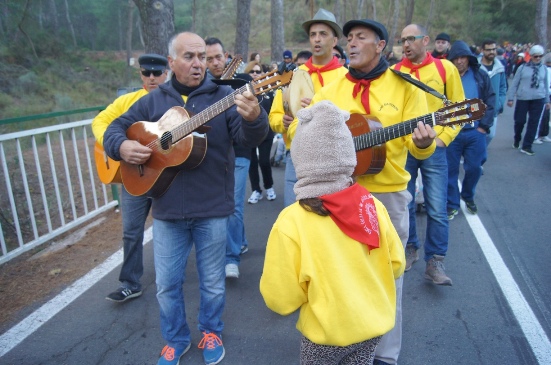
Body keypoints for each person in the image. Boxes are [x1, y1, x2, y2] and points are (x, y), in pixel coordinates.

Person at [102, 32, 268, 365]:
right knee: (166, 285)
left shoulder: (225, 95)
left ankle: (210, 331)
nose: (197, 64)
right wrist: (121, 146)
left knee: (212, 284)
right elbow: (114, 128)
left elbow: (249, 138)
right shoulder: (153, 99)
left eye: (202, 58)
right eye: (189, 57)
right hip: (166, 210)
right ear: (171, 62)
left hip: (212, 209)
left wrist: (253, 117)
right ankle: (176, 340)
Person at [302, 18, 435, 365]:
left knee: (389, 278)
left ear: (381, 46)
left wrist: (423, 145)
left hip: (387, 197)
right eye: (349, 38)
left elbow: (418, 146)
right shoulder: (329, 90)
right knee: (338, 276)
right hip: (339, 197)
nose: (352, 43)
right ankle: (340, 346)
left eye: (362, 37)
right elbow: (311, 139)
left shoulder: (404, 87)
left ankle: (385, 356)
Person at [260, 100, 405, 365]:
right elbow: (396, 265)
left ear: (302, 157)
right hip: (372, 327)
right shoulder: (372, 205)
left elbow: (280, 298)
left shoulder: (292, 221)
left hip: (326, 334)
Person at [92, 53, 168, 303]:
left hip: (167, 176)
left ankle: (171, 279)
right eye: (146, 73)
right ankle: (130, 282)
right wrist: (119, 145)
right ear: (140, 74)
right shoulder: (127, 101)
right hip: (134, 175)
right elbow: (101, 121)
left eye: (157, 73)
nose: (152, 77)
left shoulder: (178, 100)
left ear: (167, 72)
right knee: (131, 231)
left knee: (173, 227)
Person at [393, 23, 465, 286]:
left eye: (411, 39)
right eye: (402, 40)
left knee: (437, 207)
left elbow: (459, 109)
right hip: (405, 148)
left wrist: (444, 139)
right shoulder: (395, 72)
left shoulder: (446, 69)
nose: (406, 45)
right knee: (405, 202)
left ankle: (435, 261)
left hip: (436, 149)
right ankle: (410, 248)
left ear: (426, 41)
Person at [270, 8, 348, 207]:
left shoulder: (346, 77)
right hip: (296, 157)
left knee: (330, 220)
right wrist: (283, 122)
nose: (317, 39)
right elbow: (274, 117)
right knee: (294, 216)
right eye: (313, 35)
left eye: (323, 34)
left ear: (335, 40)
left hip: (334, 158)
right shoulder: (293, 76)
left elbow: (354, 119)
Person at [204, 38, 254, 279]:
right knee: (222, 205)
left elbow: (257, 113)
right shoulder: (202, 86)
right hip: (212, 155)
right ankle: (240, 240)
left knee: (233, 205)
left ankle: (231, 257)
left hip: (240, 152)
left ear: (227, 56)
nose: (214, 62)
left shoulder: (243, 82)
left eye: (218, 57)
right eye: (208, 58)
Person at [447, 40, 496, 218]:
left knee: (475, 167)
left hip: (475, 131)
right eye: (456, 58)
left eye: (463, 57)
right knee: (450, 170)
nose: (460, 61)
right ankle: (452, 204)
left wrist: (484, 126)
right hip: (452, 133)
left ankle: (468, 196)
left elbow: (491, 100)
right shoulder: (445, 77)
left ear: (469, 58)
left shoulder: (479, 76)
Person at [507, 45, 550, 156]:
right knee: (520, 121)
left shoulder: (543, 69)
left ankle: (527, 146)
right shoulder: (522, 68)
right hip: (523, 98)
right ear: (531, 56)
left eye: (540, 56)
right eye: (536, 56)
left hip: (538, 98)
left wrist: (547, 100)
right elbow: (515, 83)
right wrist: (511, 98)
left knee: (534, 122)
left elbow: (545, 85)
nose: (538, 58)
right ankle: (517, 138)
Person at [246, 62, 277, 205]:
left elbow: (273, 112)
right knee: (252, 162)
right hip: (249, 132)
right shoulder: (243, 91)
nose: (255, 73)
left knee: (264, 161)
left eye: (258, 71)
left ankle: (269, 186)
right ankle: (256, 190)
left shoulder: (269, 90)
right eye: (252, 71)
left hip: (266, 133)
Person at [478, 39, 507, 147]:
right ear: (482, 50)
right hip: (477, 108)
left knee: (490, 135)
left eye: (494, 49)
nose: (492, 52)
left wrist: (499, 103)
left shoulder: (500, 68)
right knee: (476, 134)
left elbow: (503, 87)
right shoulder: (475, 67)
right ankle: (475, 156)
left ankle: (479, 152)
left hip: (493, 109)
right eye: (488, 50)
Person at [535, 54, 551, 143]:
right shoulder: (546, 70)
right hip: (544, 94)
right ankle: (536, 135)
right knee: (541, 116)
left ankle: (543, 134)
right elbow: (546, 84)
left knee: (546, 116)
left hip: (546, 94)